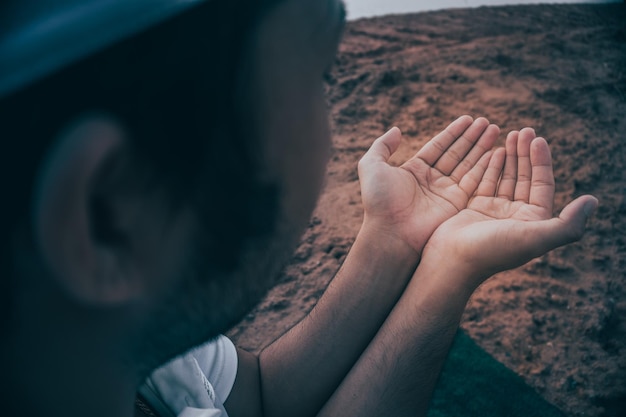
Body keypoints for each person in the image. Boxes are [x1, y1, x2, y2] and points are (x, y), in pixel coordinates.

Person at [0, 0, 597, 416]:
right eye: (323, 73)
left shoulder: (117, 340)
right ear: (110, 213)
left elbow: (260, 400)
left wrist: (411, 251)